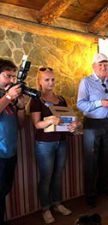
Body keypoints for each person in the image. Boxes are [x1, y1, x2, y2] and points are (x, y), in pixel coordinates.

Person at [30, 67, 80, 224]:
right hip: (44, 144)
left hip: (62, 142)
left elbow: (68, 121)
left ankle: (57, 204)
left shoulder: (61, 99)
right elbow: (37, 124)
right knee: (46, 177)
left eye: (52, 79)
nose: (50, 82)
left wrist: (74, 124)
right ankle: (45, 208)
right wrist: (50, 120)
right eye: (46, 79)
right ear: (39, 82)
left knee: (58, 175)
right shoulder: (36, 100)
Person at [77, 53, 108, 208]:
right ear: (94, 67)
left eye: (105, 65)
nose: (103, 67)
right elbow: (81, 104)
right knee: (91, 160)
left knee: (107, 158)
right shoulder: (86, 82)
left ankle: (103, 188)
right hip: (92, 124)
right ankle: (90, 194)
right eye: (100, 65)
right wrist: (99, 103)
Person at [0, 59, 26, 225]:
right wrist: (10, 96)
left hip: (10, 153)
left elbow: (21, 125)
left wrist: (22, 107)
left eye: (12, 76)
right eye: (7, 76)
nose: (11, 80)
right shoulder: (6, 97)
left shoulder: (6, 98)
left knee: (3, 192)